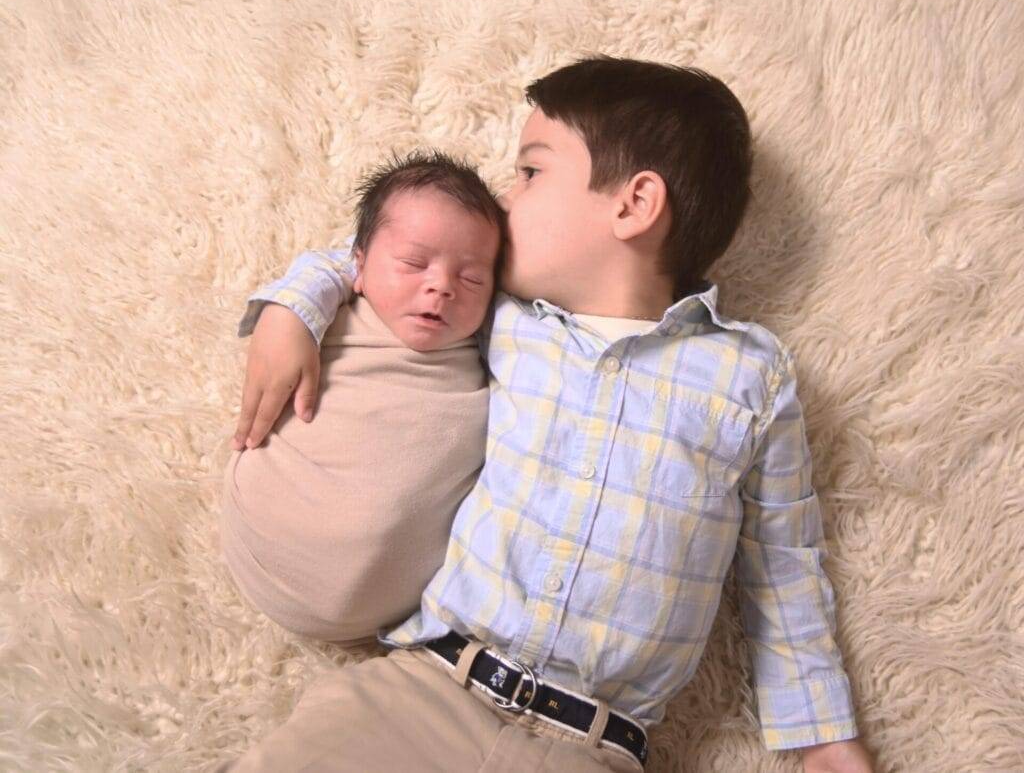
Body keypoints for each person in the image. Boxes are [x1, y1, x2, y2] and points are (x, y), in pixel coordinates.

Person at [221, 56, 874, 772]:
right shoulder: (498, 316)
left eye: (530, 172)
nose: (502, 200)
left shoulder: (750, 374)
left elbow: (781, 564)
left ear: (634, 204)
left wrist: (823, 733)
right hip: (426, 685)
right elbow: (381, 256)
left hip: (593, 743)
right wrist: (292, 309)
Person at [221, 150, 504, 645]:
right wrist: (289, 315)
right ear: (360, 264)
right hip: (264, 538)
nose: (441, 286)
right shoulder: (340, 309)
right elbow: (321, 270)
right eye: (414, 264)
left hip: (398, 612)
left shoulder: (488, 346)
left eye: (472, 278)